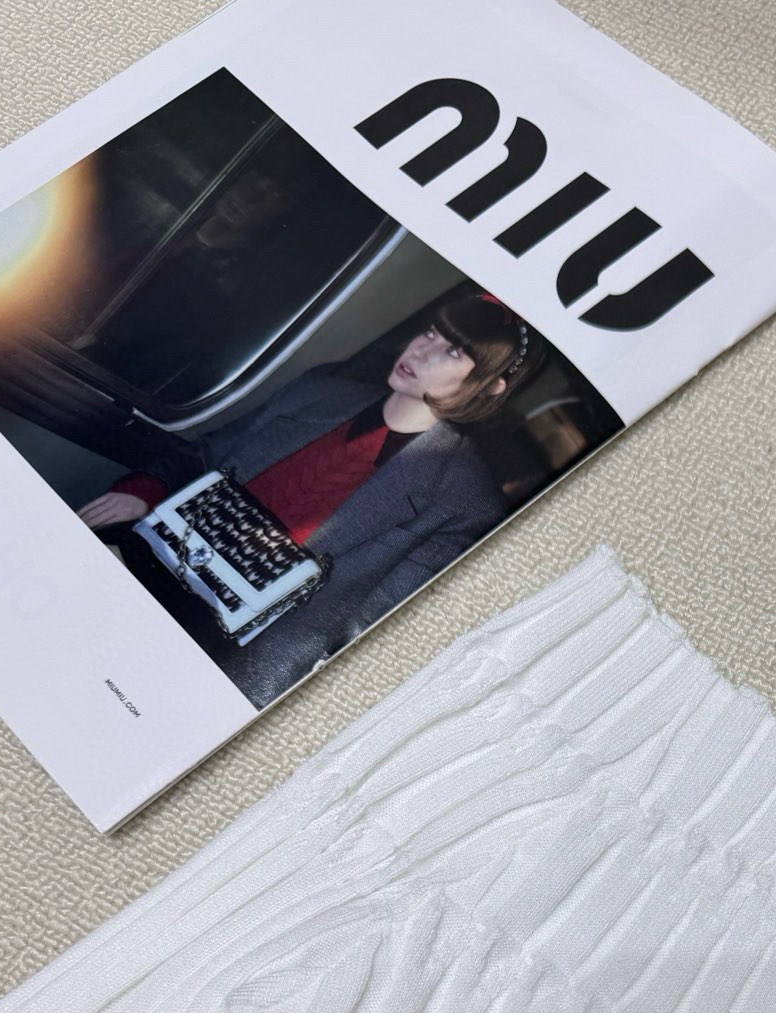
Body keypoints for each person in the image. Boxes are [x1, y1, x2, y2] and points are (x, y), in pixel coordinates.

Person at [76, 291, 532, 707]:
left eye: (453, 351)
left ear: (491, 385)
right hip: (154, 553)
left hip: (222, 641)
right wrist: (144, 489)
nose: (421, 351)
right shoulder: (321, 390)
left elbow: (361, 627)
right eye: (431, 333)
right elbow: (207, 453)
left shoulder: (462, 501)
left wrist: (244, 699)